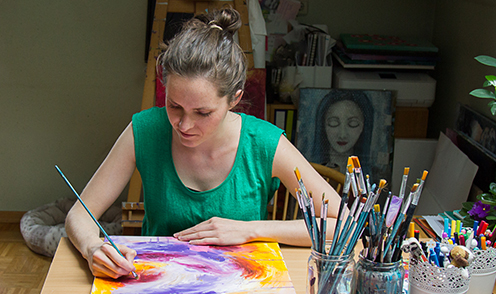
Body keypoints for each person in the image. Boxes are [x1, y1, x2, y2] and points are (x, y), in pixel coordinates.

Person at [65, 7, 342, 279]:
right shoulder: (145, 130)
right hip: (156, 291)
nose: (184, 125)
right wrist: (93, 248)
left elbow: (343, 223)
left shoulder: (264, 143)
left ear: (234, 99)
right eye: (174, 106)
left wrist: (252, 230)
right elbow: (79, 215)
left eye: (203, 113)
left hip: (240, 292)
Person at [313, 90, 374, 174]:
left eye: (353, 124)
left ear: (364, 127)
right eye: (333, 123)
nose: (342, 135)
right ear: (323, 126)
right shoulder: (309, 169)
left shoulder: (373, 174)